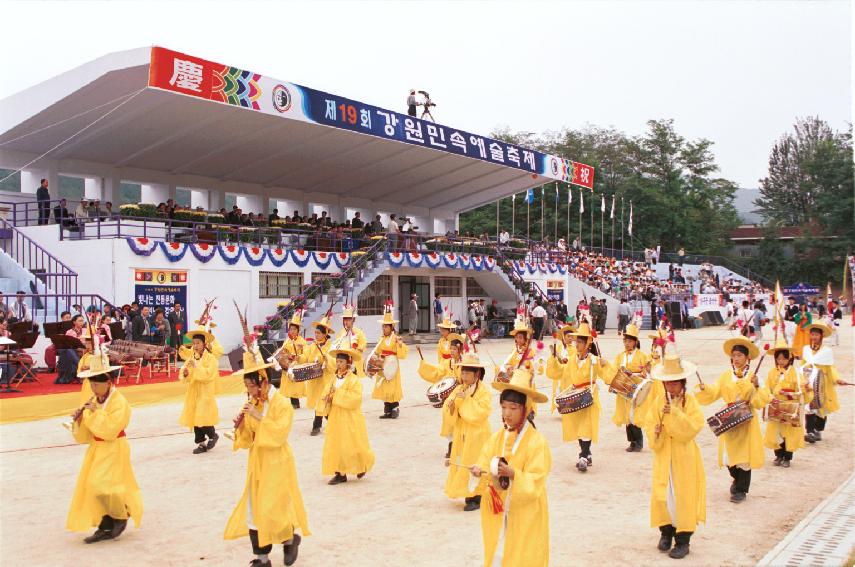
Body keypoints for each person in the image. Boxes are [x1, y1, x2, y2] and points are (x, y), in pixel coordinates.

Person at [224, 352, 309, 567]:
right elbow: (248, 440)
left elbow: (280, 433)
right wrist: (242, 426)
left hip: (277, 461)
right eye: (246, 387)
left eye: (250, 386)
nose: (248, 391)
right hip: (258, 462)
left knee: (273, 508)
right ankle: (262, 558)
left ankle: (290, 539)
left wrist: (259, 417)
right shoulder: (254, 401)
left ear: (262, 382)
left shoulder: (281, 403)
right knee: (254, 509)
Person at [469, 368, 551, 567]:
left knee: (524, 556)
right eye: (503, 407)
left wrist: (515, 474)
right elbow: (486, 458)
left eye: (513, 408)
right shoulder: (497, 437)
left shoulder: (537, 442)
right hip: (499, 510)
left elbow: (536, 480)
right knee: (498, 553)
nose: (507, 413)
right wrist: (479, 470)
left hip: (525, 513)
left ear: (526, 409)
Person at [66, 359, 143, 543]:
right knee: (92, 486)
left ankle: (120, 515)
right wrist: (79, 421)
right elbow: (86, 435)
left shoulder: (119, 402)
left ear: (108, 382)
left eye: (97, 384)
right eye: (91, 383)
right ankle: (105, 522)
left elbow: (110, 429)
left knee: (102, 484)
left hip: (115, 446)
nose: (93, 388)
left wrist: (95, 413)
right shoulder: (93, 400)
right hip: (97, 448)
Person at [643, 355, 706, 560]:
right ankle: (666, 532)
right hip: (664, 456)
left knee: (683, 496)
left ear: (683, 382)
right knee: (664, 495)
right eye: (667, 382)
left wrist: (676, 415)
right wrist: (657, 430)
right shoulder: (658, 402)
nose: (671, 386)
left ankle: (683, 539)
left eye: (675, 381)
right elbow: (649, 424)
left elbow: (693, 428)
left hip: (684, 456)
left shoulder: (691, 401)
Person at [695, 336, 770, 503]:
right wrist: (704, 388)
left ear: (747, 357)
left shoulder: (754, 376)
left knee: (744, 457)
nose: (736, 359)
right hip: (729, 418)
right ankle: (736, 479)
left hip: (746, 419)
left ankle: (740, 490)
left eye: (739, 356)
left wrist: (757, 386)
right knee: (730, 458)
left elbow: (762, 400)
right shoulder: (726, 375)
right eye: (734, 355)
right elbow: (715, 391)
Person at [559, 322, 614, 472]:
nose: (577, 344)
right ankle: (587, 454)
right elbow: (561, 373)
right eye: (577, 341)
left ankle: (583, 456)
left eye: (581, 342)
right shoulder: (572, 359)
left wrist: (606, 364)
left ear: (588, 344)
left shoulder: (593, 360)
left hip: (589, 396)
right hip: (575, 395)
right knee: (578, 426)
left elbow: (607, 377)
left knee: (586, 426)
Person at [320, 346, 374, 485]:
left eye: (341, 362)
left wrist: (336, 395)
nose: (338, 364)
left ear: (348, 363)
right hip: (336, 416)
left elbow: (355, 399)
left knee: (353, 443)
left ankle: (361, 465)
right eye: (337, 362)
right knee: (336, 443)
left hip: (350, 417)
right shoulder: (333, 378)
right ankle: (340, 473)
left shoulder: (354, 380)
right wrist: (326, 397)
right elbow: (326, 392)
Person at [443, 353, 492, 512]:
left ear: (477, 374)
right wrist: (451, 405)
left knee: (476, 461)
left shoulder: (484, 392)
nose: (463, 376)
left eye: (467, 373)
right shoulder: (460, 388)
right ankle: (467, 492)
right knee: (462, 460)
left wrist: (466, 400)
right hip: (462, 431)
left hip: (478, 433)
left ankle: (475, 496)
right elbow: (449, 406)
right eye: (462, 372)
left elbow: (480, 412)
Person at [763, 340, 812, 466]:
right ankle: (778, 455)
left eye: (784, 359)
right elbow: (767, 388)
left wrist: (805, 387)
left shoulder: (795, 373)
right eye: (778, 359)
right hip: (776, 405)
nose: (781, 362)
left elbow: (800, 388)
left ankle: (787, 457)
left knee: (788, 434)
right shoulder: (772, 372)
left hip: (790, 407)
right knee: (776, 432)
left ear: (789, 359)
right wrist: (769, 397)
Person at [802, 322, 845, 442]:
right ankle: (810, 432)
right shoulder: (806, 350)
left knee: (821, 409)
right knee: (809, 406)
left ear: (821, 336)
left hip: (822, 383)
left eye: (816, 335)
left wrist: (837, 379)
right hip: (809, 382)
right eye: (812, 334)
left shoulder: (826, 351)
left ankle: (818, 429)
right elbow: (803, 365)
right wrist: (801, 378)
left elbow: (831, 368)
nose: (814, 337)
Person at [611, 324, 651, 452]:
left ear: (635, 342)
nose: (626, 343)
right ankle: (632, 442)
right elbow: (614, 371)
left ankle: (638, 442)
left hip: (637, 389)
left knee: (634, 415)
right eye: (625, 341)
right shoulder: (620, 356)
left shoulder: (643, 356)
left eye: (629, 341)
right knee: (627, 415)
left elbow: (647, 373)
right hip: (623, 390)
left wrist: (633, 374)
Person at [179, 329, 221, 454]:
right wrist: (186, 373)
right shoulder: (192, 357)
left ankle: (213, 435)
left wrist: (196, 368)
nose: (195, 346)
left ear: (204, 344)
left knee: (202, 415)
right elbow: (185, 370)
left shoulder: (211, 359)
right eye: (194, 343)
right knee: (194, 416)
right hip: (194, 391)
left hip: (205, 391)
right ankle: (201, 443)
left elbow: (209, 374)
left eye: (197, 343)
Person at [371, 308, 409, 419]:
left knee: (393, 386)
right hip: (383, 363)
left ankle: (395, 408)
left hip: (392, 364)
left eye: (386, 326)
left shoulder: (396, 338)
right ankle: (387, 409)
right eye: (383, 326)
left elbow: (402, 355)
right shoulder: (381, 339)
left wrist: (400, 345)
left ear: (391, 327)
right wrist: (375, 358)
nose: (384, 328)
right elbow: (377, 351)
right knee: (384, 386)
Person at [305, 316, 336, 436]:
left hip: (326, 379)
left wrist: (326, 358)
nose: (316, 335)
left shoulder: (331, 346)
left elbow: (334, 364)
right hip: (316, 379)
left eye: (318, 333)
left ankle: (318, 425)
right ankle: (320, 425)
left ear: (325, 334)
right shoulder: (312, 346)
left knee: (326, 402)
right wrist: (299, 358)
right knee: (319, 402)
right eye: (315, 333)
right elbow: (306, 357)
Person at [278, 312, 308, 409]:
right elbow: (283, 350)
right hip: (288, 365)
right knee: (288, 383)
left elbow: (306, 354)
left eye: (294, 329)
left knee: (295, 384)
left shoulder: (302, 341)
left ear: (298, 330)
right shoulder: (287, 340)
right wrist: (285, 355)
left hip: (296, 365)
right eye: (291, 329)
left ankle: (295, 402)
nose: (292, 331)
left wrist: (298, 357)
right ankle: (291, 402)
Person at [546, 323, 576, 413]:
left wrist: (568, 360)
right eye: (568, 336)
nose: (570, 339)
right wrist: (554, 359)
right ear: (563, 337)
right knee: (560, 391)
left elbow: (576, 359)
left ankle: (570, 408)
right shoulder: (558, 348)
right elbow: (552, 360)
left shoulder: (574, 349)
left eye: (571, 337)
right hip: (560, 373)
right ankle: (563, 409)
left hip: (570, 374)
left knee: (569, 391)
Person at [331, 305, 367, 375]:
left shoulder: (359, 332)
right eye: (345, 319)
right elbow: (337, 346)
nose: (346, 321)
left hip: (355, 362)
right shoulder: (341, 333)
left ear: (353, 320)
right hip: (344, 362)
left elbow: (363, 345)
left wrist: (355, 348)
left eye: (348, 319)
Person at [56, 314, 86, 384]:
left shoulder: (85, 330)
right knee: (68, 350)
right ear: (74, 322)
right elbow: (69, 345)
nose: (82, 323)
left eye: (82, 321)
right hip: (75, 350)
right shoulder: (69, 332)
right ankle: (80, 367)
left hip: (85, 349)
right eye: (80, 321)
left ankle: (81, 369)